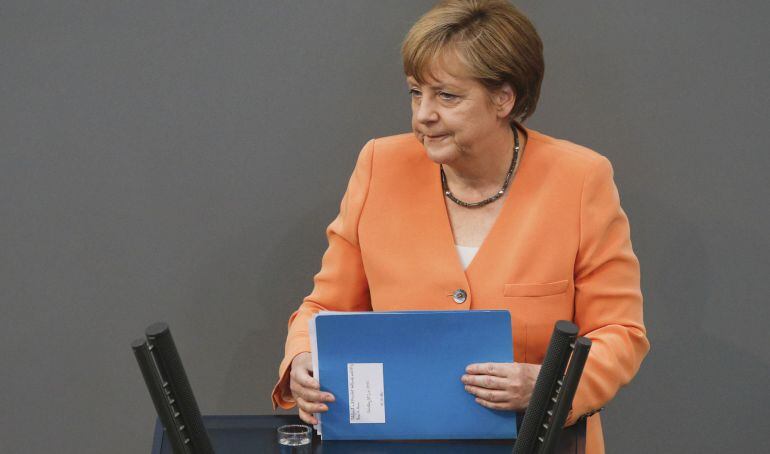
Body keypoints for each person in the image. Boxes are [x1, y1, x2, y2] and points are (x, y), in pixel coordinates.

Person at [271, 1, 649, 452]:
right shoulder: (379, 166)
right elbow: (323, 307)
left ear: (503, 99)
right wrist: (302, 360)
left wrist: (547, 383)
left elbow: (619, 333)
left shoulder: (580, 179)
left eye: (446, 96)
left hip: (537, 441)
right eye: (416, 93)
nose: (423, 114)